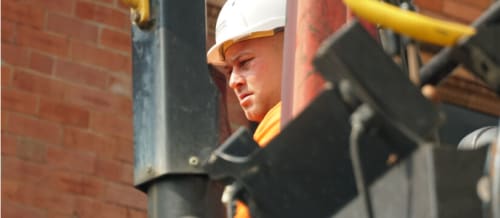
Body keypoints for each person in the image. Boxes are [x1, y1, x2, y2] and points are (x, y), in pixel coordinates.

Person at [207, 0, 286, 217]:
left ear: (293, 45)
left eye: (245, 62)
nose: (233, 81)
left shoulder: (284, 120)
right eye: (230, 69)